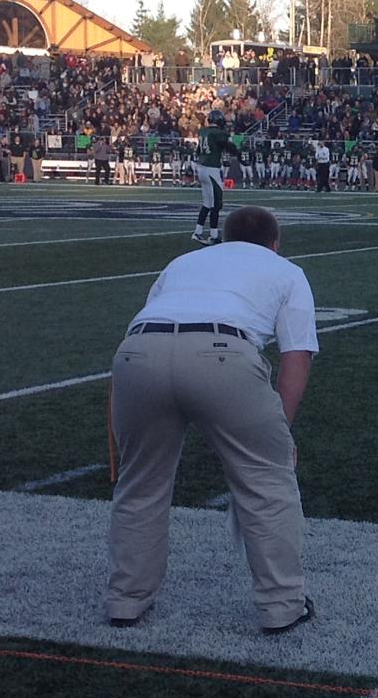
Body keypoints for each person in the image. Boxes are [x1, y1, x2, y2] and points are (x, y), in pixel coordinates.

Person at [106, 206, 318, 633]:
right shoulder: (285, 270)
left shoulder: (183, 262)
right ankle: (281, 604)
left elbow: (149, 322)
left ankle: (125, 599)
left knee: (139, 483)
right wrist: (282, 428)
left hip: (137, 352)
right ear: (275, 244)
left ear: (223, 239)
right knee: (267, 483)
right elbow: (297, 356)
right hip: (223, 352)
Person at [192, 111, 241, 245]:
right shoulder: (219, 133)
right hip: (211, 169)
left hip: (201, 168)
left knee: (207, 203)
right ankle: (213, 235)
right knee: (217, 204)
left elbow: (198, 151)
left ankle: (198, 232)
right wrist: (237, 152)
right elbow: (229, 147)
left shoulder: (202, 132)